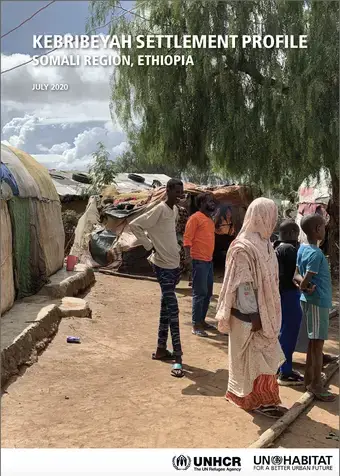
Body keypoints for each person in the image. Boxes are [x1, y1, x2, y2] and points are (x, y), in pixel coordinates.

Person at [216, 198, 287, 419]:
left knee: (267, 356)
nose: (273, 221)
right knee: (251, 359)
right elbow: (243, 285)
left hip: (267, 313)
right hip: (250, 317)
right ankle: (252, 400)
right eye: (271, 216)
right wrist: (254, 315)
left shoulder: (265, 243)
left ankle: (265, 398)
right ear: (261, 217)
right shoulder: (242, 247)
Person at [129, 179, 185, 378]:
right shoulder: (159, 209)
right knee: (173, 309)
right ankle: (178, 356)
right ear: (168, 190)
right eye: (177, 191)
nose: (180, 194)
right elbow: (134, 225)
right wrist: (149, 245)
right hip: (162, 266)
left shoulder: (174, 211)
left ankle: (161, 349)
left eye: (182, 191)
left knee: (165, 308)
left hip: (173, 265)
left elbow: (168, 234)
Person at [294, 214, 336, 401]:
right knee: (318, 344)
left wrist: (302, 285)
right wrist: (304, 285)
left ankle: (309, 380)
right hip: (318, 302)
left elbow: (296, 275)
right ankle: (317, 385)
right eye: (323, 227)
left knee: (313, 342)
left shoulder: (303, 249)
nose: (325, 231)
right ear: (317, 229)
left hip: (311, 300)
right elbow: (304, 280)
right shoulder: (316, 254)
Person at [274, 220, 304, 386]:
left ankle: (282, 367)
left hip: (281, 294)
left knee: (283, 331)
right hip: (290, 294)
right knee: (289, 333)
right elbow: (296, 275)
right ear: (292, 232)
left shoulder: (277, 247)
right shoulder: (290, 249)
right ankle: (285, 373)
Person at [183, 193, 217, 337]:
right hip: (198, 261)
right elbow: (187, 239)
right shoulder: (195, 218)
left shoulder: (209, 220)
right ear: (201, 203)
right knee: (199, 293)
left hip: (208, 261)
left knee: (208, 293)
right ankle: (196, 324)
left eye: (213, 201)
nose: (212, 203)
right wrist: (188, 259)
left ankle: (202, 321)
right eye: (209, 201)